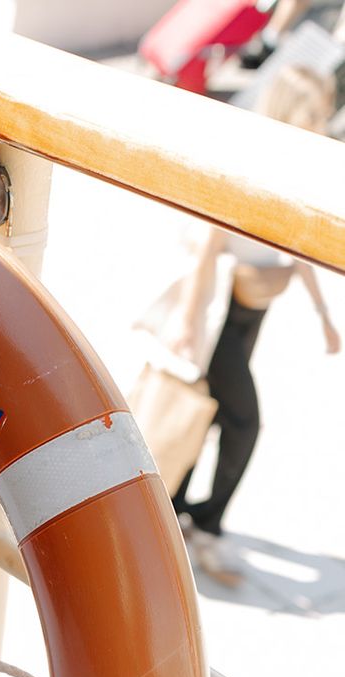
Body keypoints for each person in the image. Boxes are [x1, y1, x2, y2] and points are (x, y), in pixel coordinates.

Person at [168, 65, 340, 584]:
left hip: (251, 314)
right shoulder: (254, 168)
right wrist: (187, 318)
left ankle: (179, 509)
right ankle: (204, 521)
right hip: (221, 312)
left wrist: (323, 315)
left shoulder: (296, 172)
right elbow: (209, 247)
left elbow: (299, 247)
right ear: (289, 111)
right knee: (244, 423)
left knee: (215, 413)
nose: (323, 123)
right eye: (314, 113)